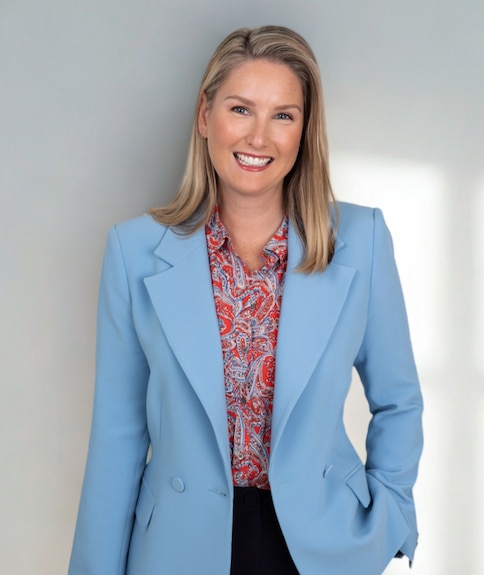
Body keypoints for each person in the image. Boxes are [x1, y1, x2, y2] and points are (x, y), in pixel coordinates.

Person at [69, 25, 423, 575]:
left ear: (304, 131)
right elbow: (116, 439)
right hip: (180, 548)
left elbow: (399, 401)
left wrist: (391, 517)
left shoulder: (362, 240)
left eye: (283, 115)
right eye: (241, 109)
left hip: (319, 545)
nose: (259, 137)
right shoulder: (134, 252)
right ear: (204, 115)